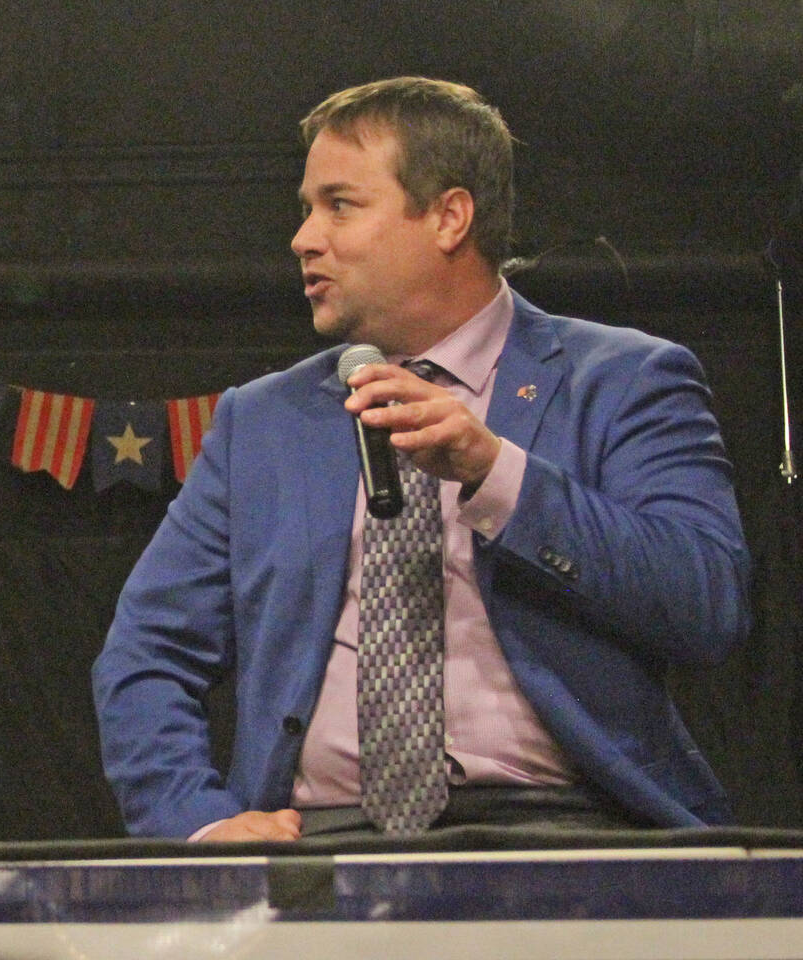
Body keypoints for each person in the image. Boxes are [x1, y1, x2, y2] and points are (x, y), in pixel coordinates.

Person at [91, 77, 750, 841]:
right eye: (307, 208)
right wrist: (198, 825)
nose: (304, 237)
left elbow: (706, 605)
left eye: (339, 204)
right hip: (317, 842)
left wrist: (496, 472)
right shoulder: (261, 422)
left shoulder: (624, 380)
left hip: (568, 834)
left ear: (448, 217)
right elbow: (144, 657)